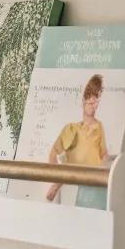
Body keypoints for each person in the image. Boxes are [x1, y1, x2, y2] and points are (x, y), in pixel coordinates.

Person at [45, 73, 110, 202]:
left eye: (96, 98)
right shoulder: (71, 128)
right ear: (83, 100)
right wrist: (57, 179)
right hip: (73, 187)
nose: (92, 102)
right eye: (89, 97)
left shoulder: (99, 127)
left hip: (94, 186)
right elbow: (53, 154)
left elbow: (104, 155)